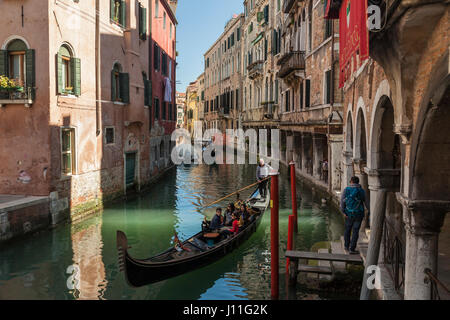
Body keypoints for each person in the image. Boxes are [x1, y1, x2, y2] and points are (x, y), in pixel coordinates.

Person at [341, 176, 369, 254]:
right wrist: (369, 212)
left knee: (347, 230)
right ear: (358, 182)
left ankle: (346, 246)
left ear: (351, 181)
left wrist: (343, 211)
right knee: (355, 231)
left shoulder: (346, 190)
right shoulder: (362, 191)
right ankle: (352, 249)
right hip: (359, 214)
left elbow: (342, 202)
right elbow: (366, 203)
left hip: (348, 213)